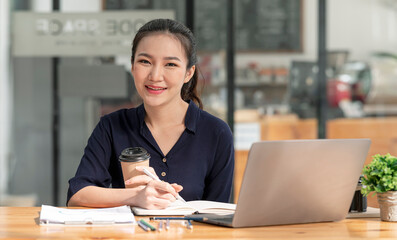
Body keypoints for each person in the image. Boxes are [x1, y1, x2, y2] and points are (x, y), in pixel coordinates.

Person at [67, 19, 234, 209]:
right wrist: (135, 196)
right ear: (132, 66)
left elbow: (218, 213)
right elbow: (78, 194)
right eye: (145, 61)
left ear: (189, 73)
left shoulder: (216, 133)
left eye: (170, 64)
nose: (155, 76)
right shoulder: (111, 126)